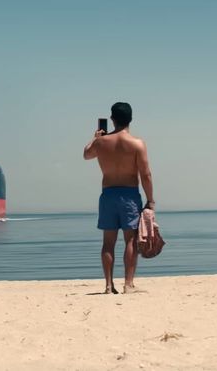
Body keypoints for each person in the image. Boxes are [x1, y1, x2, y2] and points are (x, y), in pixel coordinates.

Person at [82, 101, 155, 294]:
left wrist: (94, 138)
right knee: (130, 241)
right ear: (130, 119)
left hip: (108, 195)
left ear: (112, 119)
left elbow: (86, 155)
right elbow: (146, 174)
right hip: (129, 194)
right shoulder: (137, 144)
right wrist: (150, 200)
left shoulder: (100, 143)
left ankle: (108, 285)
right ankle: (128, 284)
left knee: (108, 242)